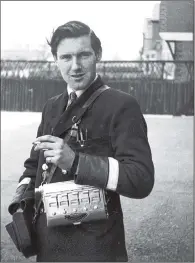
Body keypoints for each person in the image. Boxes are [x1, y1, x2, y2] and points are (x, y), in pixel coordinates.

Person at [8, 21, 154, 262]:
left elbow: (141, 178)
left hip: (95, 248)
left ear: (98, 55)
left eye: (83, 55)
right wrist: (21, 203)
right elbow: (34, 164)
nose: (75, 66)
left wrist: (76, 162)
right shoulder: (52, 106)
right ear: (55, 60)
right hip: (48, 245)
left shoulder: (121, 106)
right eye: (65, 57)